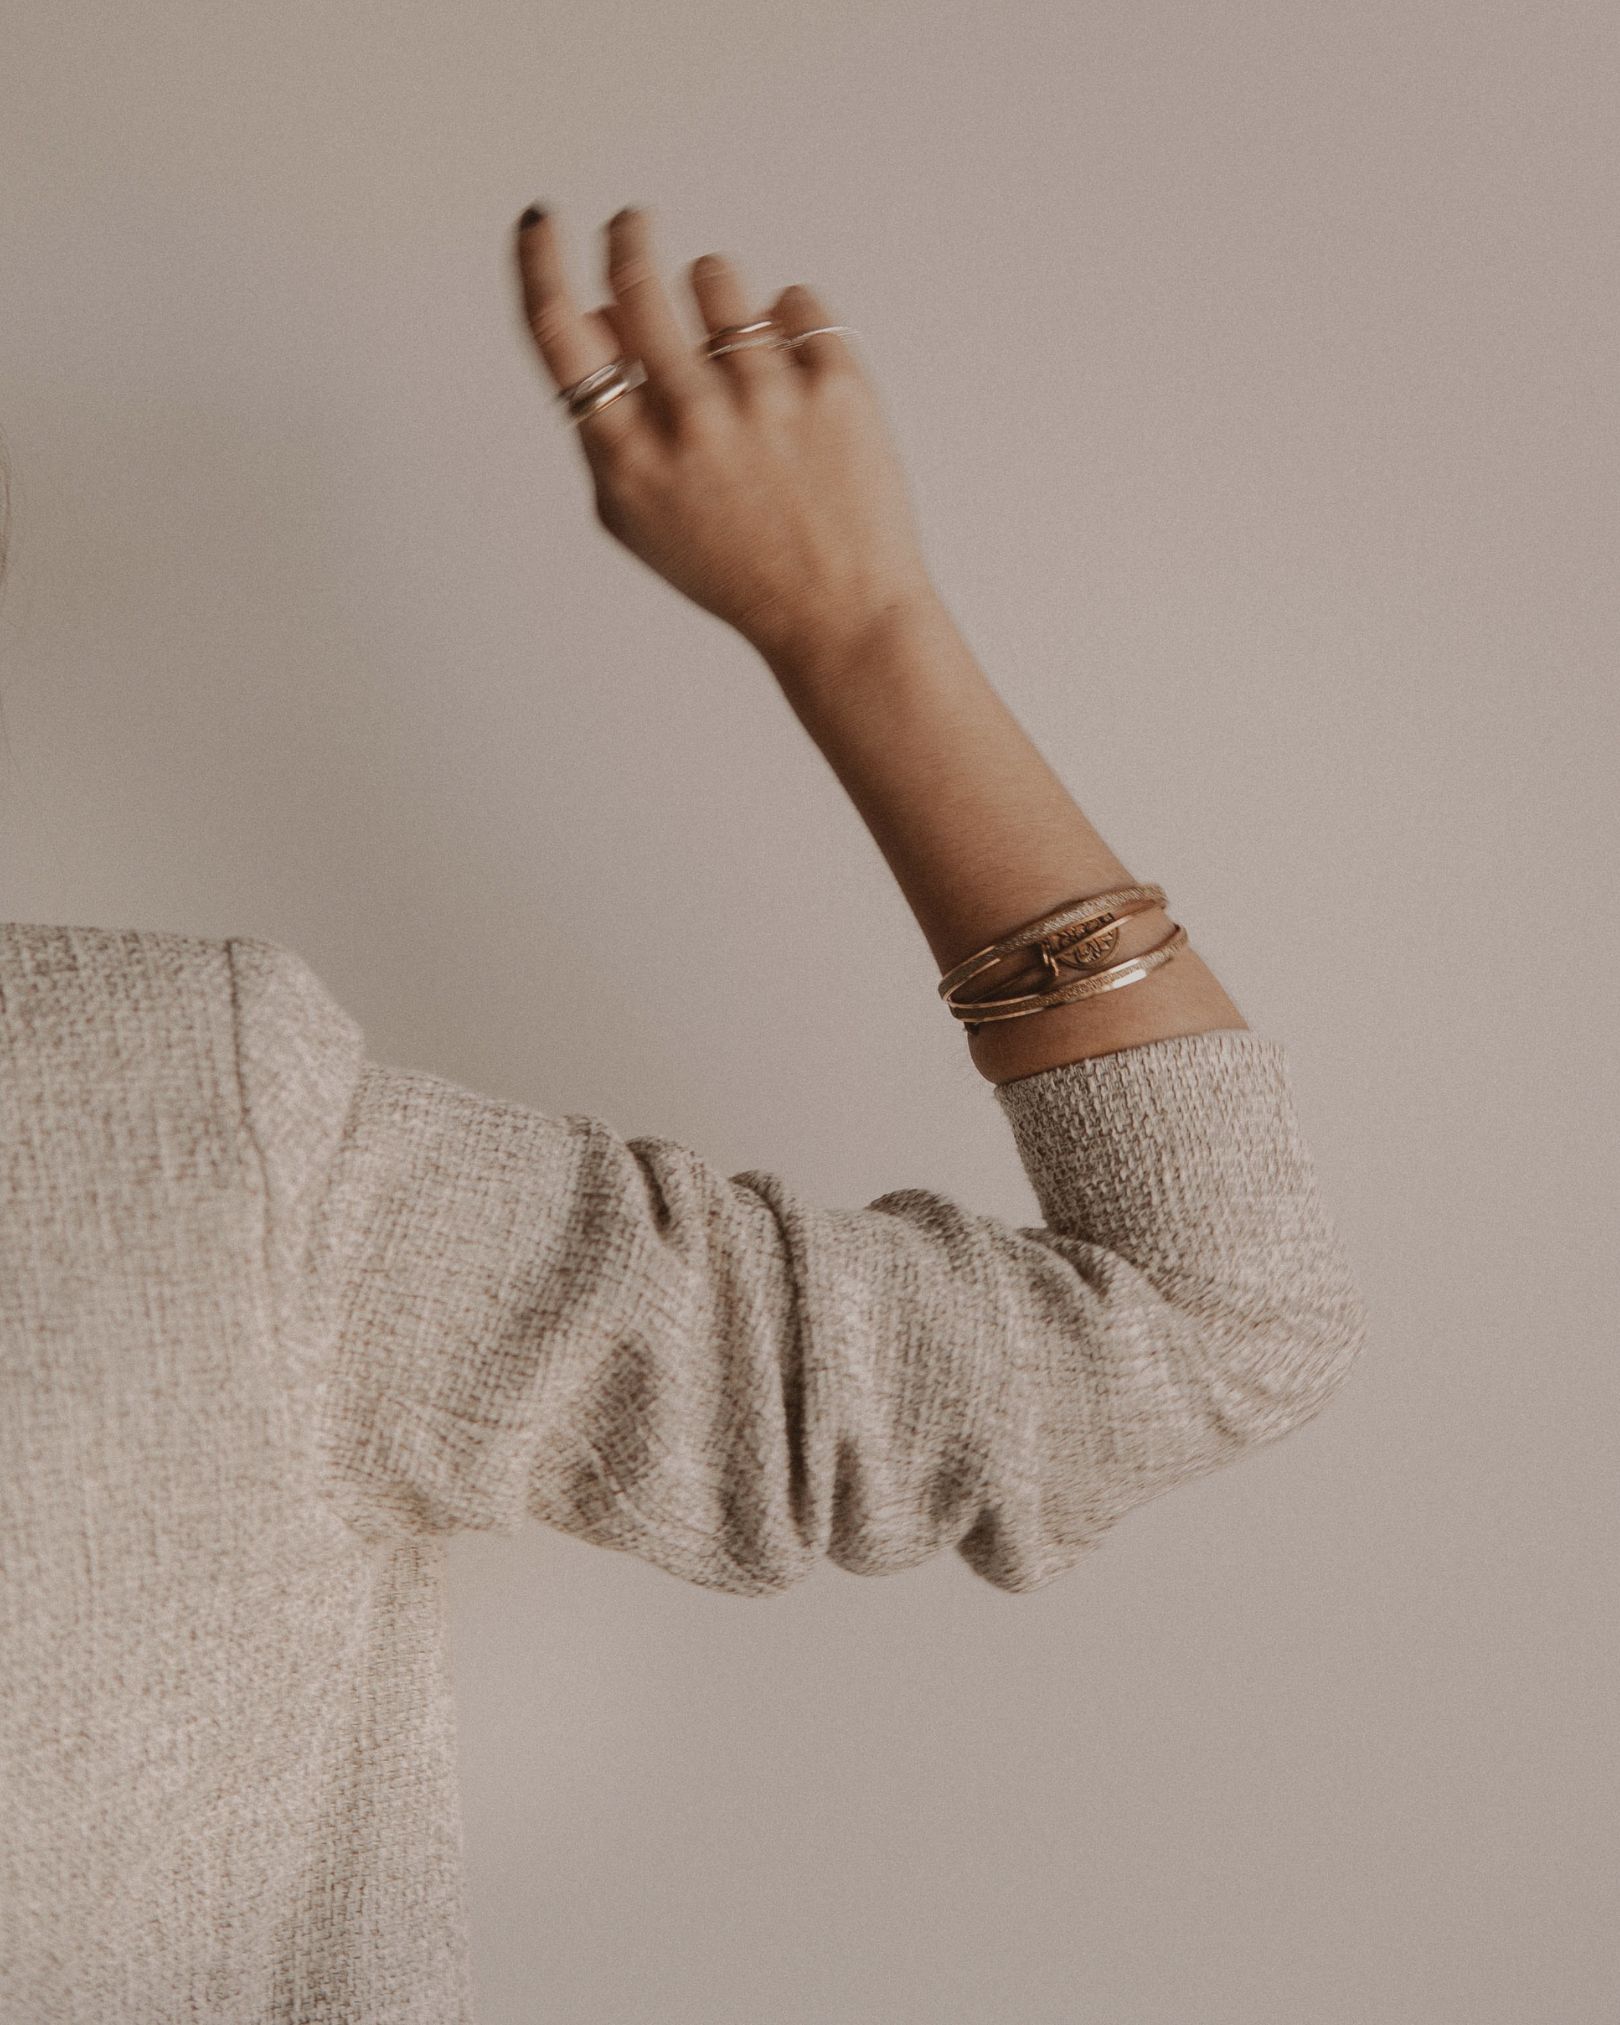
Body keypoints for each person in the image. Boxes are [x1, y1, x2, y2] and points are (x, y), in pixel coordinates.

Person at [0, 203, 1369, 2023]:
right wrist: (862, 627)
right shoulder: (145, 1118)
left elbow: (1193, 1333)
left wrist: (863, 632)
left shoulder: (149, 1129)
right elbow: (1210, 1325)